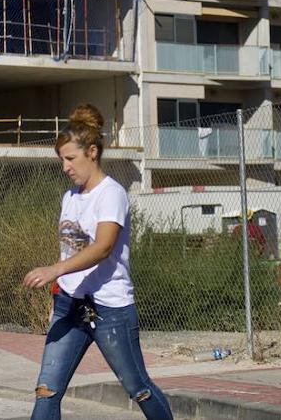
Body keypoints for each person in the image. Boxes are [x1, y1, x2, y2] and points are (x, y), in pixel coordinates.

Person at [22, 104, 173, 420]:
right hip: (69, 306)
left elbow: (103, 247)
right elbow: (70, 249)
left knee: (138, 387)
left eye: (70, 158)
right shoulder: (70, 197)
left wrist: (55, 270)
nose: (65, 166)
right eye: (61, 159)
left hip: (111, 310)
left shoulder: (111, 194)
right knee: (47, 389)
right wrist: (58, 288)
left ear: (92, 152)